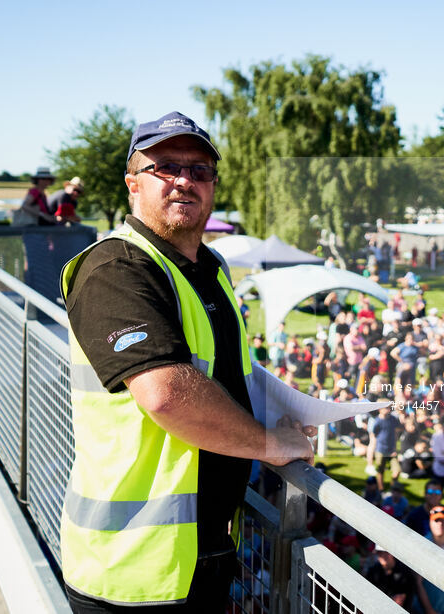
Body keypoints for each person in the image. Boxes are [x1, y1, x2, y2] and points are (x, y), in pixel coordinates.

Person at [59, 112, 315, 611]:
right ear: (133, 182)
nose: (185, 180)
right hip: (133, 567)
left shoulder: (209, 268)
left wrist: (291, 413)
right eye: (166, 167)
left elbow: (221, 372)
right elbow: (168, 393)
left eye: (200, 170)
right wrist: (267, 443)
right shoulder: (115, 267)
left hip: (202, 552)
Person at [365, 544, 416, 608]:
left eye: (386, 552)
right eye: (380, 553)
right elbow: (365, 594)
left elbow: (398, 603)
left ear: (392, 553)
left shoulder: (404, 572)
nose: (383, 556)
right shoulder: (374, 570)